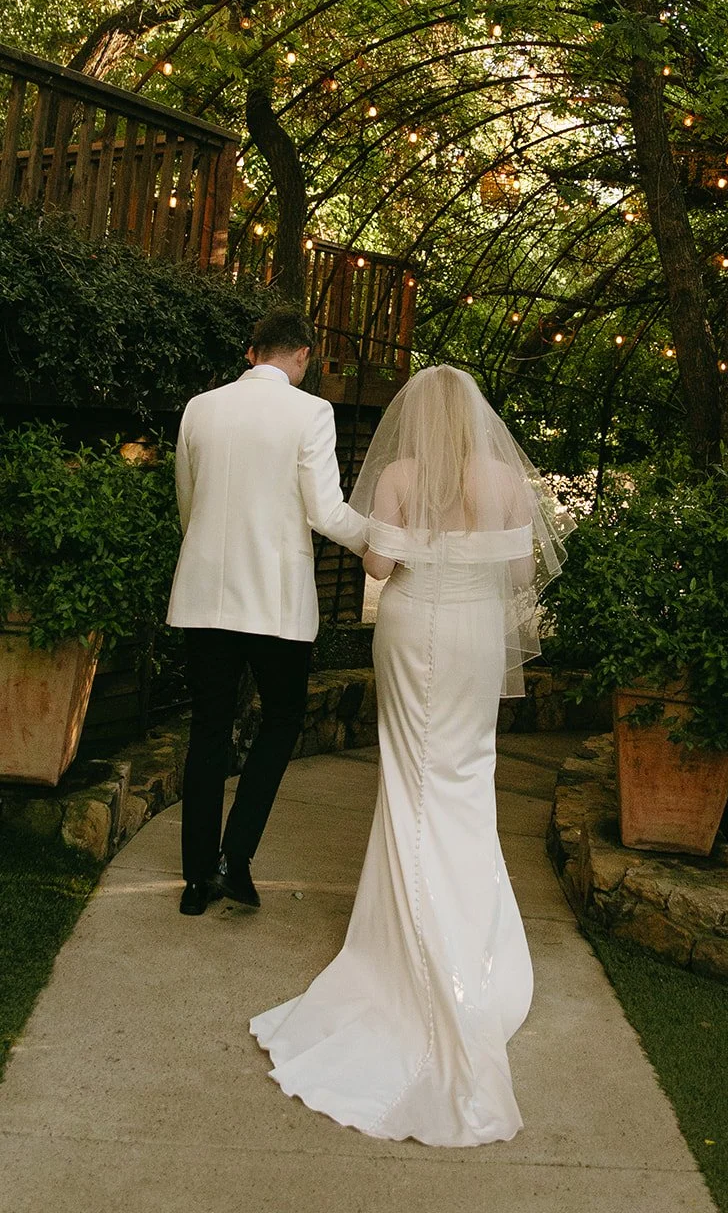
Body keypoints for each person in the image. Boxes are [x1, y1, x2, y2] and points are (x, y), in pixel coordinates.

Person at [249, 364, 574, 1147]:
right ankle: (473, 945)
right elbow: (524, 573)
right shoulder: (504, 479)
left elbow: (379, 568)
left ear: (413, 417)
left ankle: (407, 945)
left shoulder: (398, 474)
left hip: (411, 624)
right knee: (466, 777)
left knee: (408, 777)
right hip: (473, 638)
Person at [167, 305, 368, 917]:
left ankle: (197, 880)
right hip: (276, 608)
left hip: (204, 597)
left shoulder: (201, 408)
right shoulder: (312, 412)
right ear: (303, 355)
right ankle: (236, 858)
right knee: (282, 721)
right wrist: (387, 540)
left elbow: (188, 502)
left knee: (207, 730)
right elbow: (327, 513)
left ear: (252, 351)